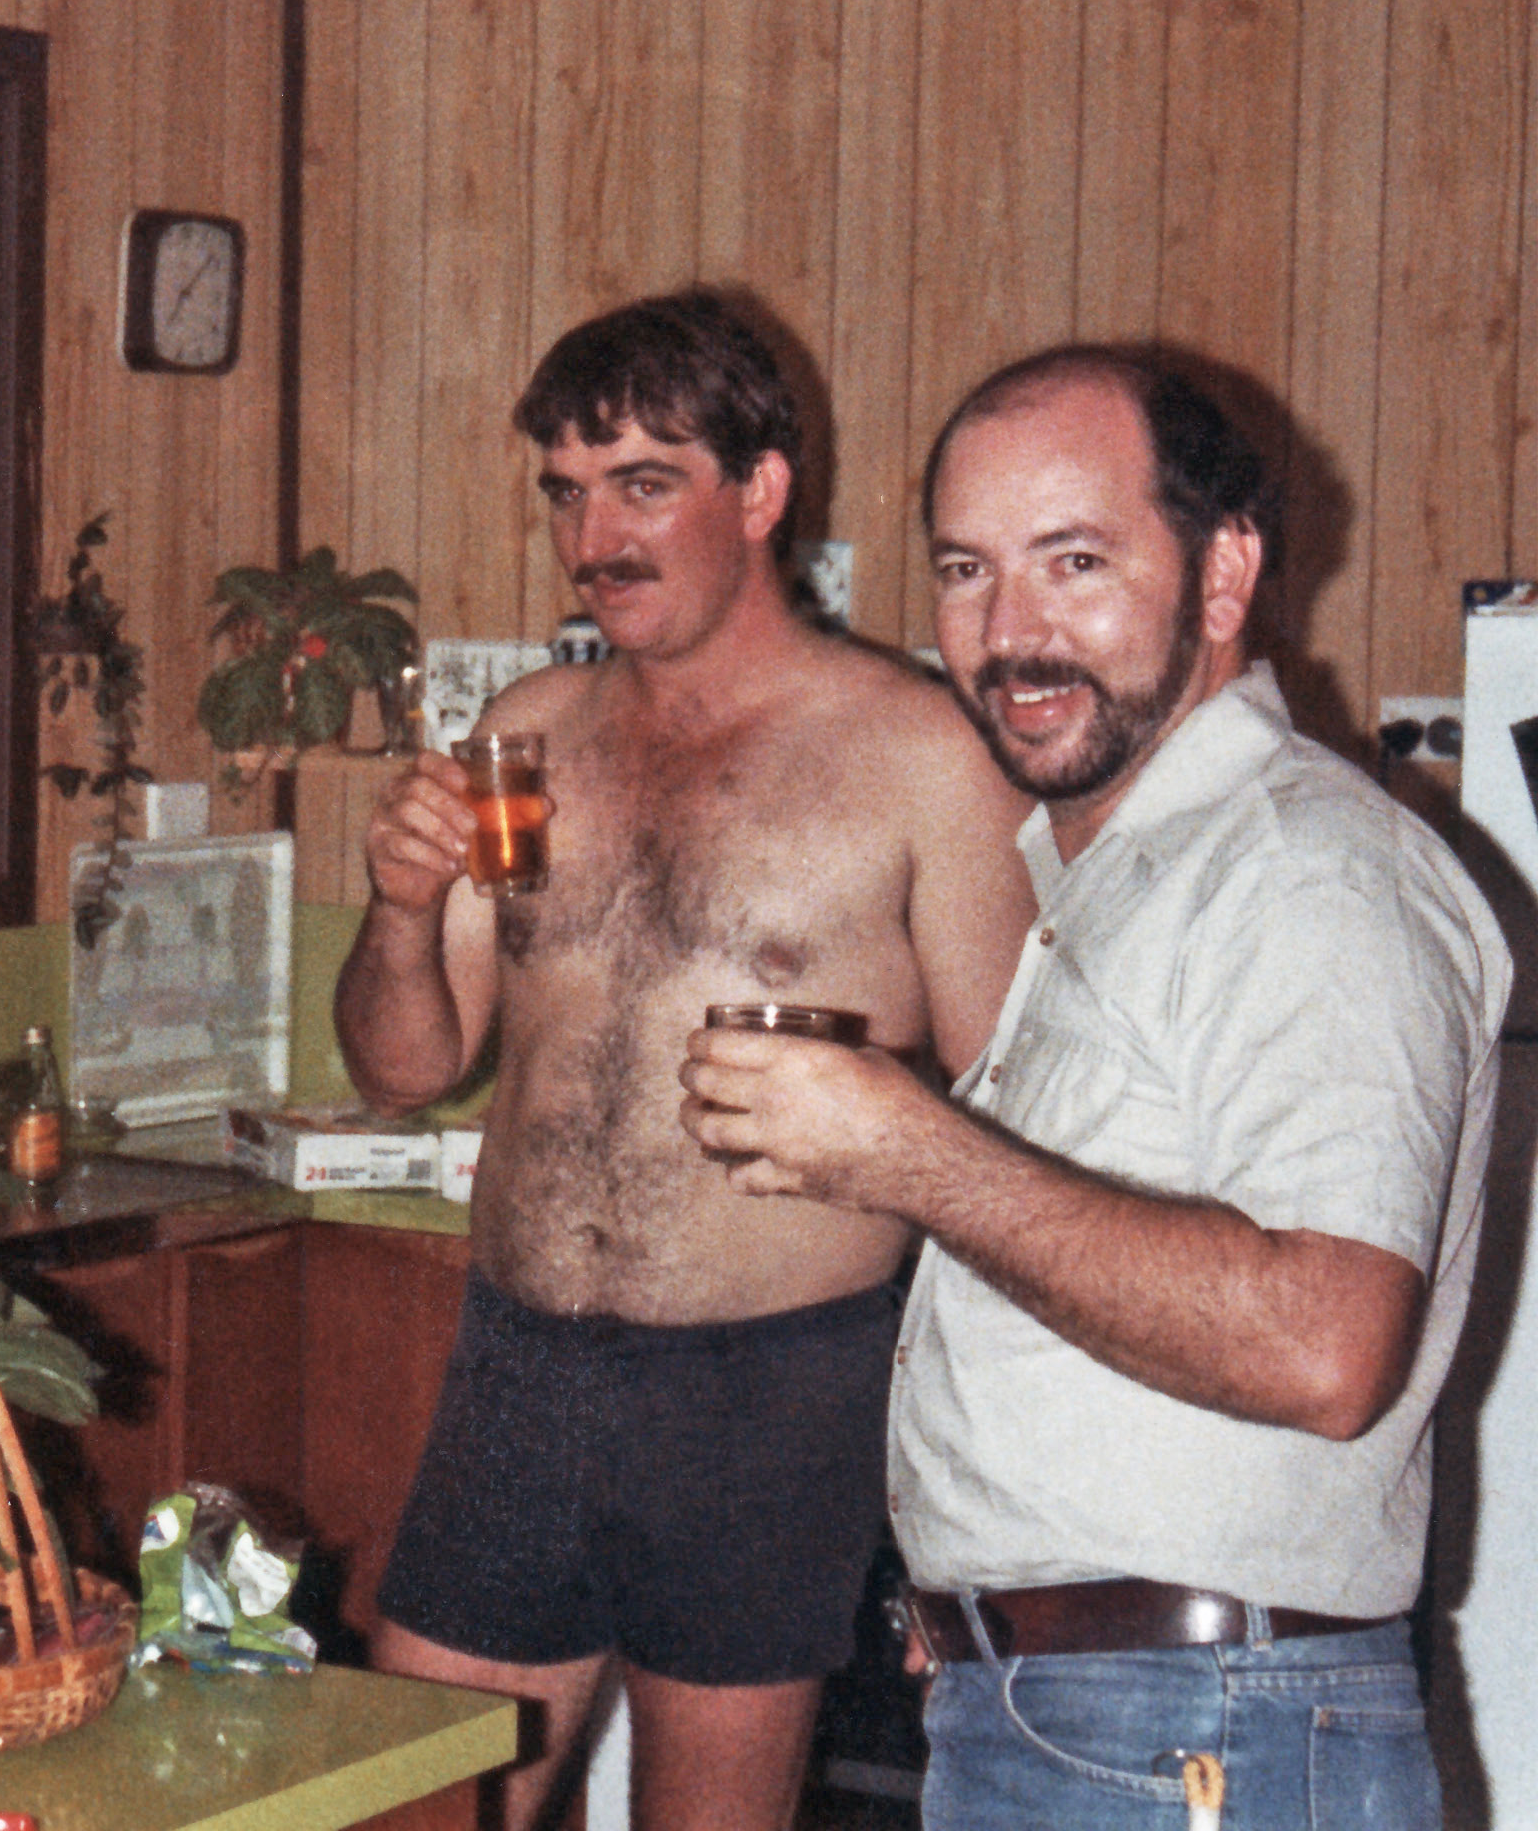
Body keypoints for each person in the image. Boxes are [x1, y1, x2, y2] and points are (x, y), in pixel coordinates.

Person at [678, 345, 1510, 1829]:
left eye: (1074, 562)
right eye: (967, 570)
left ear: (1223, 572)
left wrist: (914, 1151)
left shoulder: (1307, 872)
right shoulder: (1117, 876)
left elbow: (1325, 1345)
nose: (1011, 632)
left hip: (1199, 1732)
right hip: (1089, 1713)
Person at [336, 289, 1037, 1831]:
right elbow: (403, 1071)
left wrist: (981, 1514)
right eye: (567, 494)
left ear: (761, 489)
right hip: (519, 1370)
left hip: (768, 1397)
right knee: (410, 1807)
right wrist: (400, 909)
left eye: (645, 484)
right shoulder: (528, 731)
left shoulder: (924, 756)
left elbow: (1021, 1142)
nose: (595, 539)